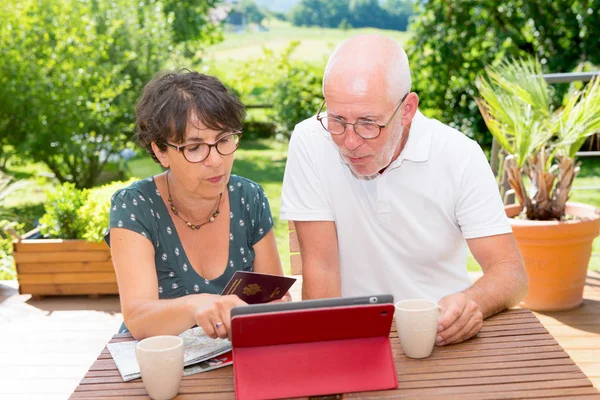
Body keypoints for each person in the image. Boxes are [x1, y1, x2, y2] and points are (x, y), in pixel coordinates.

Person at [280, 35, 528, 346]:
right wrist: (331, 350)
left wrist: (473, 302)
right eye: (337, 120)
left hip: (440, 337)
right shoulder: (310, 140)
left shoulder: (459, 154)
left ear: (407, 109)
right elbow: (321, 265)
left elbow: (510, 272)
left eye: (368, 123)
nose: (349, 141)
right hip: (353, 335)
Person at [106, 70, 289, 340]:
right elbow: (138, 318)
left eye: (224, 140)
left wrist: (276, 308)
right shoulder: (135, 205)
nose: (215, 160)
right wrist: (198, 305)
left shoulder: (249, 198)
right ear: (160, 151)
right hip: (159, 362)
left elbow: (276, 295)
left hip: (236, 357)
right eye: (195, 148)